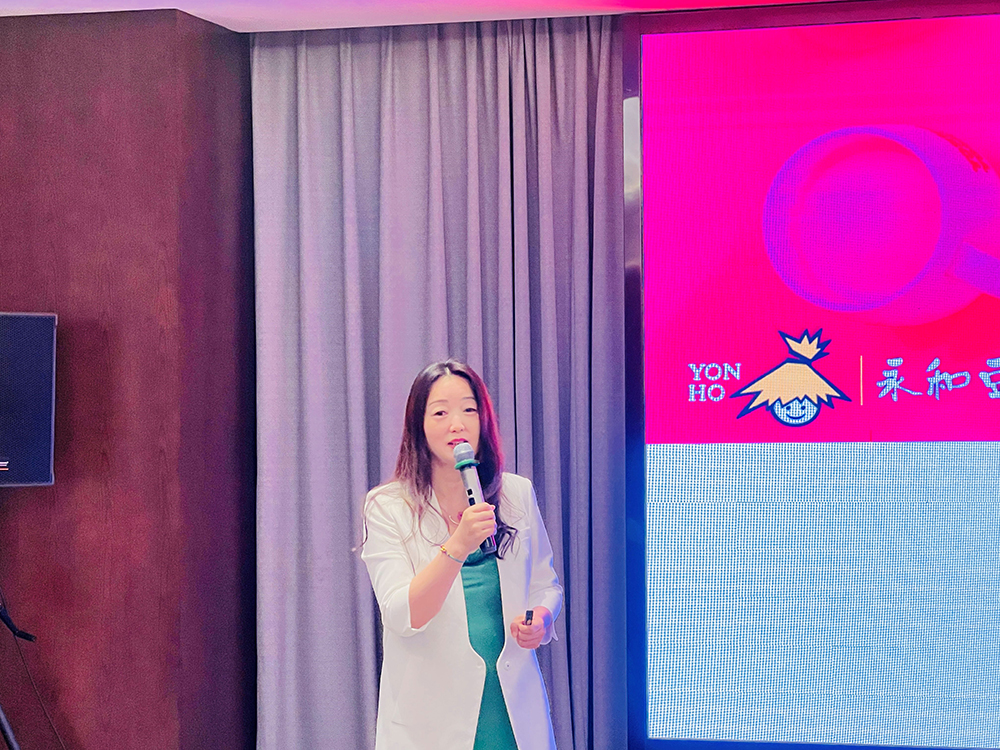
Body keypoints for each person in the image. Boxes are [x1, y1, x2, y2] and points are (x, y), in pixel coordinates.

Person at [362, 359, 563, 750]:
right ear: (418, 425)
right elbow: (403, 615)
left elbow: (546, 585)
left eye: (469, 410)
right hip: (431, 721)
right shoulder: (387, 506)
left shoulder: (515, 494)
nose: (457, 424)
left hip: (510, 708)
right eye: (440, 413)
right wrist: (457, 546)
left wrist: (540, 618)